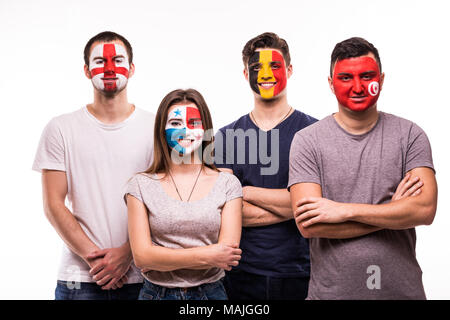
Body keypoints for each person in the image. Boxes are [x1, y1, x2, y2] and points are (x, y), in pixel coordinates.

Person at [289, 37, 437, 300]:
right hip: (331, 295)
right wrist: (393, 213)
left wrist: (342, 210)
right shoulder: (307, 140)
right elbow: (310, 225)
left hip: (401, 294)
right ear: (331, 84)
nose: (357, 87)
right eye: (346, 78)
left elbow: (424, 210)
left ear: (380, 79)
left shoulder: (410, 135)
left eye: (366, 76)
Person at [32, 31, 155, 300]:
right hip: (79, 278)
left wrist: (127, 253)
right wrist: (97, 261)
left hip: (143, 277)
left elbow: (166, 200)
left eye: (118, 60)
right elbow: (53, 204)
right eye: (100, 61)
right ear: (87, 71)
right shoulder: (60, 128)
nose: (109, 68)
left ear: (132, 69)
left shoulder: (156, 128)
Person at [214, 32, 317, 300]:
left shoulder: (315, 132)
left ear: (290, 70)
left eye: (274, 65)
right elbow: (222, 212)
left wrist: (243, 192)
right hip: (240, 274)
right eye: (256, 67)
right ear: (245, 74)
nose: (265, 74)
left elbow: (315, 206)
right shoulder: (225, 137)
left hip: (302, 272)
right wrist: (293, 203)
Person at [125, 89, 243, 300]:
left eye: (194, 123)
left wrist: (161, 257)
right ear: (162, 129)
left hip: (211, 294)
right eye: (176, 124)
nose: (185, 130)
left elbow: (226, 256)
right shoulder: (140, 185)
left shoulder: (227, 184)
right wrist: (208, 255)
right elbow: (142, 257)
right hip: (156, 294)